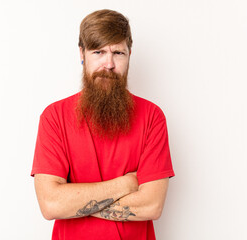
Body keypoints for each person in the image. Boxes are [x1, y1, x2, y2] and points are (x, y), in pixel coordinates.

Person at [31, 9, 175, 240]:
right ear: (82, 53)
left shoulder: (152, 117)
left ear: (130, 54)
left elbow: (152, 206)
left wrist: (75, 203)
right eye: (98, 51)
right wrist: (126, 183)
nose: (108, 64)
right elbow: (51, 205)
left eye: (118, 52)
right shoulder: (54, 117)